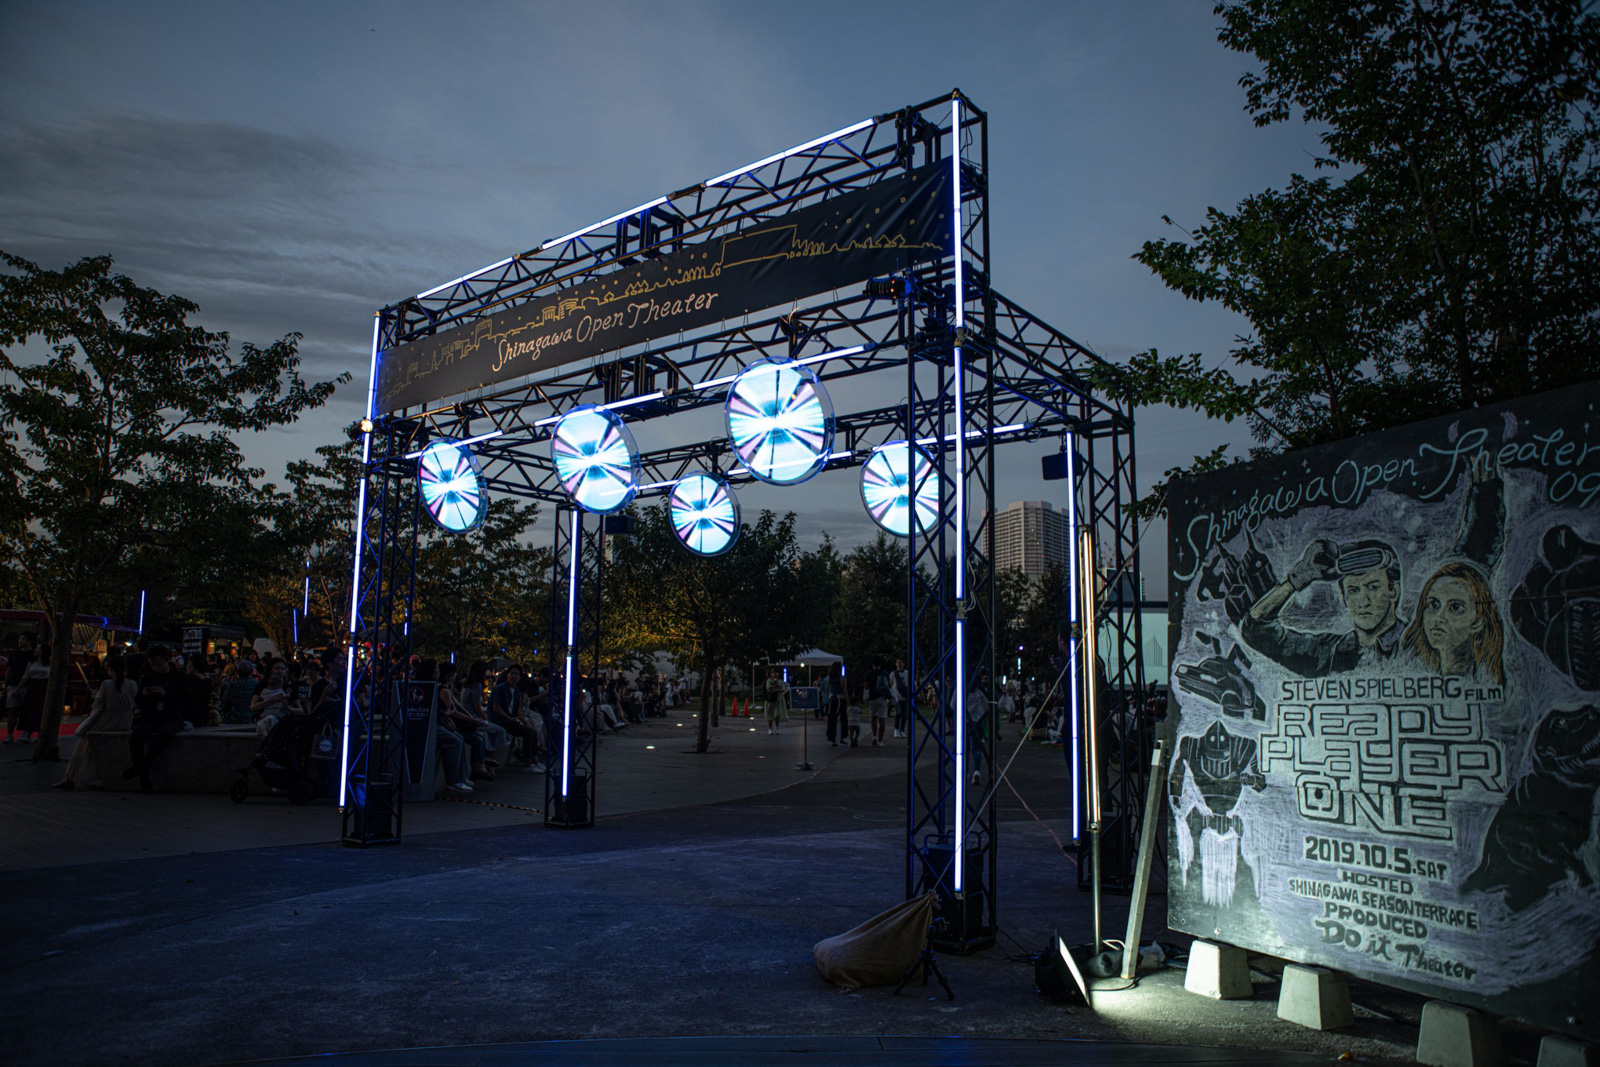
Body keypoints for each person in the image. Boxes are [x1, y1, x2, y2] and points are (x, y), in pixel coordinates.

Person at [1241, 539, 1408, 676]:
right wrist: (1296, 580)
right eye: (1353, 590)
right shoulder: (1331, 651)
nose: (1363, 602)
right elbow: (1255, 630)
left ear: (1393, 591)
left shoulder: (1415, 644)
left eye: (1373, 587)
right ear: (1344, 598)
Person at [1401, 562, 1506, 683]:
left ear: (1478, 621)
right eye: (1434, 604)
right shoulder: (1408, 673)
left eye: (1455, 607)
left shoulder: (1492, 681)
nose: (1439, 617)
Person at [56, 654, 137, 789]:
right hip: (125, 721)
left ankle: (71, 777)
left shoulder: (107, 684)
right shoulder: (132, 684)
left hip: (108, 721)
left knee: (85, 744)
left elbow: (99, 706)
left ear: (110, 669)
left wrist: (95, 697)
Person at [123, 647, 183, 791]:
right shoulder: (148, 678)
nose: (156, 668)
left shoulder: (179, 677)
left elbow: (184, 700)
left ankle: (141, 766)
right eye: (153, 665)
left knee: (164, 733)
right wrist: (144, 694)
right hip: (151, 715)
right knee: (136, 736)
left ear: (166, 660)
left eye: (159, 664)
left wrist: (165, 694)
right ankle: (143, 775)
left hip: (171, 716)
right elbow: (139, 701)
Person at [489, 665, 541, 767]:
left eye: (516, 674)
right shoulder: (500, 689)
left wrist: (525, 722)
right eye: (511, 673)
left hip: (510, 720)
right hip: (500, 720)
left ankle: (535, 760)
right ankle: (528, 761)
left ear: (519, 677)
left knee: (532, 731)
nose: (513, 676)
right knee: (528, 733)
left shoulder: (516, 691)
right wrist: (510, 719)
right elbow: (496, 708)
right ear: (507, 675)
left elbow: (517, 709)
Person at [822, 664, 845, 747]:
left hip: (831, 699)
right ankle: (842, 737)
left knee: (832, 719)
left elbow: (826, 688)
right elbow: (844, 690)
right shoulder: (842, 678)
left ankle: (832, 738)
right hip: (840, 699)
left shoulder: (829, 678)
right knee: (843, 719)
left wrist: (828, 696)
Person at [763, 668, 789, 736]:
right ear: (771, 674)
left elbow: (783, 689)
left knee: (777, 714)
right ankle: (770, 728)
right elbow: (769, 688)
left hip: (778, 699)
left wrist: (776, 689)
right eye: (773, 673)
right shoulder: (769, 681)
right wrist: (776, 688)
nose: (775, 674)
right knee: (770, 714)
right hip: (771, 699)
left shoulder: (780, 681)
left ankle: (777, 727)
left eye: (776, 672)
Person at [891, 658, 911, 739]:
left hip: (905, 696)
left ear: (903, 664)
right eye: (898, 662)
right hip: (896, 697)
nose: (899, 664)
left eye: (900, 662)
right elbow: (890, 684)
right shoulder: (893, 674)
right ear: (896, 664)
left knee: (905, 714)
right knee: (899, 713)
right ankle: (896, 730)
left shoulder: (907, 673)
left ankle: (902, 730)